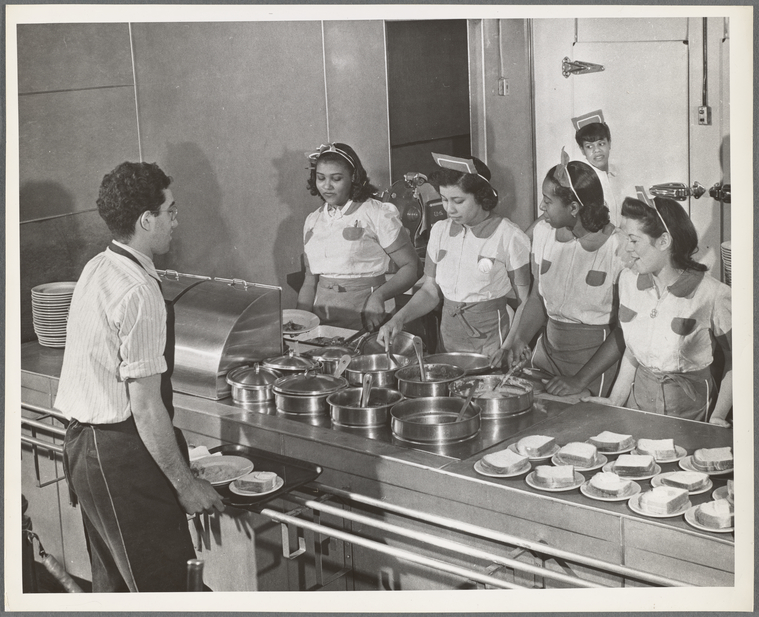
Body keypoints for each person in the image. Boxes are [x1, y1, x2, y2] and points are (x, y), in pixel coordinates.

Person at [55, 162, 224, 592]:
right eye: (170, 211)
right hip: (119, 457)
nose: (175, 220)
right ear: (147, 220)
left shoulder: (100, 264)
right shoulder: (139, 291)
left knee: (116, 591)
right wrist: (186, 486)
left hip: (86, 449)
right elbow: (146, 408)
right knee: (167, 591)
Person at [580, 195, 732, 425]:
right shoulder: (628, 281)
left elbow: (738, 359)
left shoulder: (713, 294)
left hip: (692, 414)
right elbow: (633, 350)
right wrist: (615, 400)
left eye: (633, 240)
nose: (625, 249)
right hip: (638, 408)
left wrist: (718, 415)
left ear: (663, 241)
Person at [497, 150, 626, 396]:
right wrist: (519, 340)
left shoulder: (617, 247)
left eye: (548, 200)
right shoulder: (544, 233)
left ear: (574, 207)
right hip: (547, 356)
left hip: (593, 366)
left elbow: (623, 331)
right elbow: (537, 299)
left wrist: (579, 380)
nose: (541, 206)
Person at [377, 153, 530, 357]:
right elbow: (431, 291)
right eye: (444, 199)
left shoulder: (509, 236)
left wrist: (508, 347)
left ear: (481, 196)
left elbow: (525, 302)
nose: (449, 209)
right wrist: (399, 319)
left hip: (493, 343)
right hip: (448, 339)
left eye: (458, 201)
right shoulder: (440, 231)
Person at [296, 142, 421, 330]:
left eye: (336, 179)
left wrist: (378, 296)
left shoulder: (376, 213)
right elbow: (309, 281)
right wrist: (300, 322)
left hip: (368, 315)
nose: (327, 186)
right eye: (321, 178)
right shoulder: (313, 220)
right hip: (323, 320)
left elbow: (412, 267)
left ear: (353, 177)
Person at [572, 110, 623, 225]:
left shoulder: (618, 174)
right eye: (589, 146)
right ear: (582, 150)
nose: (597, 150)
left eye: (601, 143)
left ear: (609, 143)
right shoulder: (580, 180)